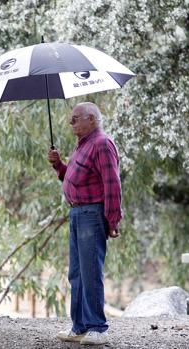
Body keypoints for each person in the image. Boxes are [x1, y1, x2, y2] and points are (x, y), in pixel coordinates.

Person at [47, 102, 122, 346]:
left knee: (90, 271)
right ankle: (79, 327)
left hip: (92, 214)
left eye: (75, 118)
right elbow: (76, 178)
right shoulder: (83, 145)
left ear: (92, 119)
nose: (71, 123)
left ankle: (97, 327)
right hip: (77, 214)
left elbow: (112, 184)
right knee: (77, 273)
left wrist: (113, 218)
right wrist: (58, 165)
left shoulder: (101, 143)